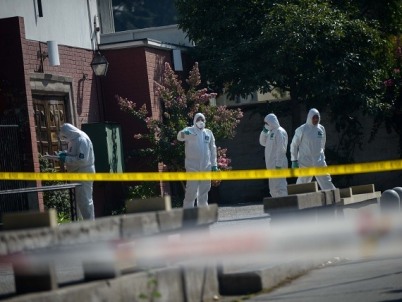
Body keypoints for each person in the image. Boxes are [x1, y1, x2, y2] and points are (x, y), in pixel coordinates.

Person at [177, 113, 218, 208]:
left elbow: (213, 149)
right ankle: (188, 210)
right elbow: (179, 137)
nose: (200, 121)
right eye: (198, 119)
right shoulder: (190, 132)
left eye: (202, 119)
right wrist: (183, 133)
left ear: (205, 121)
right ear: (194, 121)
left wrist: (214, 165)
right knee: (191, 190)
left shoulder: (208, 133)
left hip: (206, 166)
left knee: (204, 189)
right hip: (192, 166)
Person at [290, 108, 336, 190]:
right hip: (305, 162)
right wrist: (294, 160)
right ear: (309, 117)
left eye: (317, 117)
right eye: (313, 117)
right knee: (302, 183)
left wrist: (322, 157)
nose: (315, 119)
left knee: (326, 181)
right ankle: (296, 200)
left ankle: (333, 198)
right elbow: (294, 145)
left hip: (319, 161)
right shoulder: (302, 129)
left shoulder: (321, 129)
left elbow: (322, 144)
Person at [58, 123, 95, 220]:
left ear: (69, 132)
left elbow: (82, 160)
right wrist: (65, 154)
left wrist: (66, 159)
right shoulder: (73, 140)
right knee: (78, 201)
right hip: (76, 173)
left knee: (85, 200)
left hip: (83, 172)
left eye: (65, 136)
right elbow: (74, 154)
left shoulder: (81, 139)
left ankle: (90, 224)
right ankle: (81, 223)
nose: (65, 138)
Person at [259, 113, 289, 197]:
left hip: (278, 165)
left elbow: (281, 149)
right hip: (271, 166)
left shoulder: (280, 131)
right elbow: (262, 142)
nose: (266, 125)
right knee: (273, 188)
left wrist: (278, 164)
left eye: (267, 123)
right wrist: (264, 132)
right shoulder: (271, 132)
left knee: (280, 187)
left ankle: (286, 206)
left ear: (272, 122)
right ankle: (277, 207)